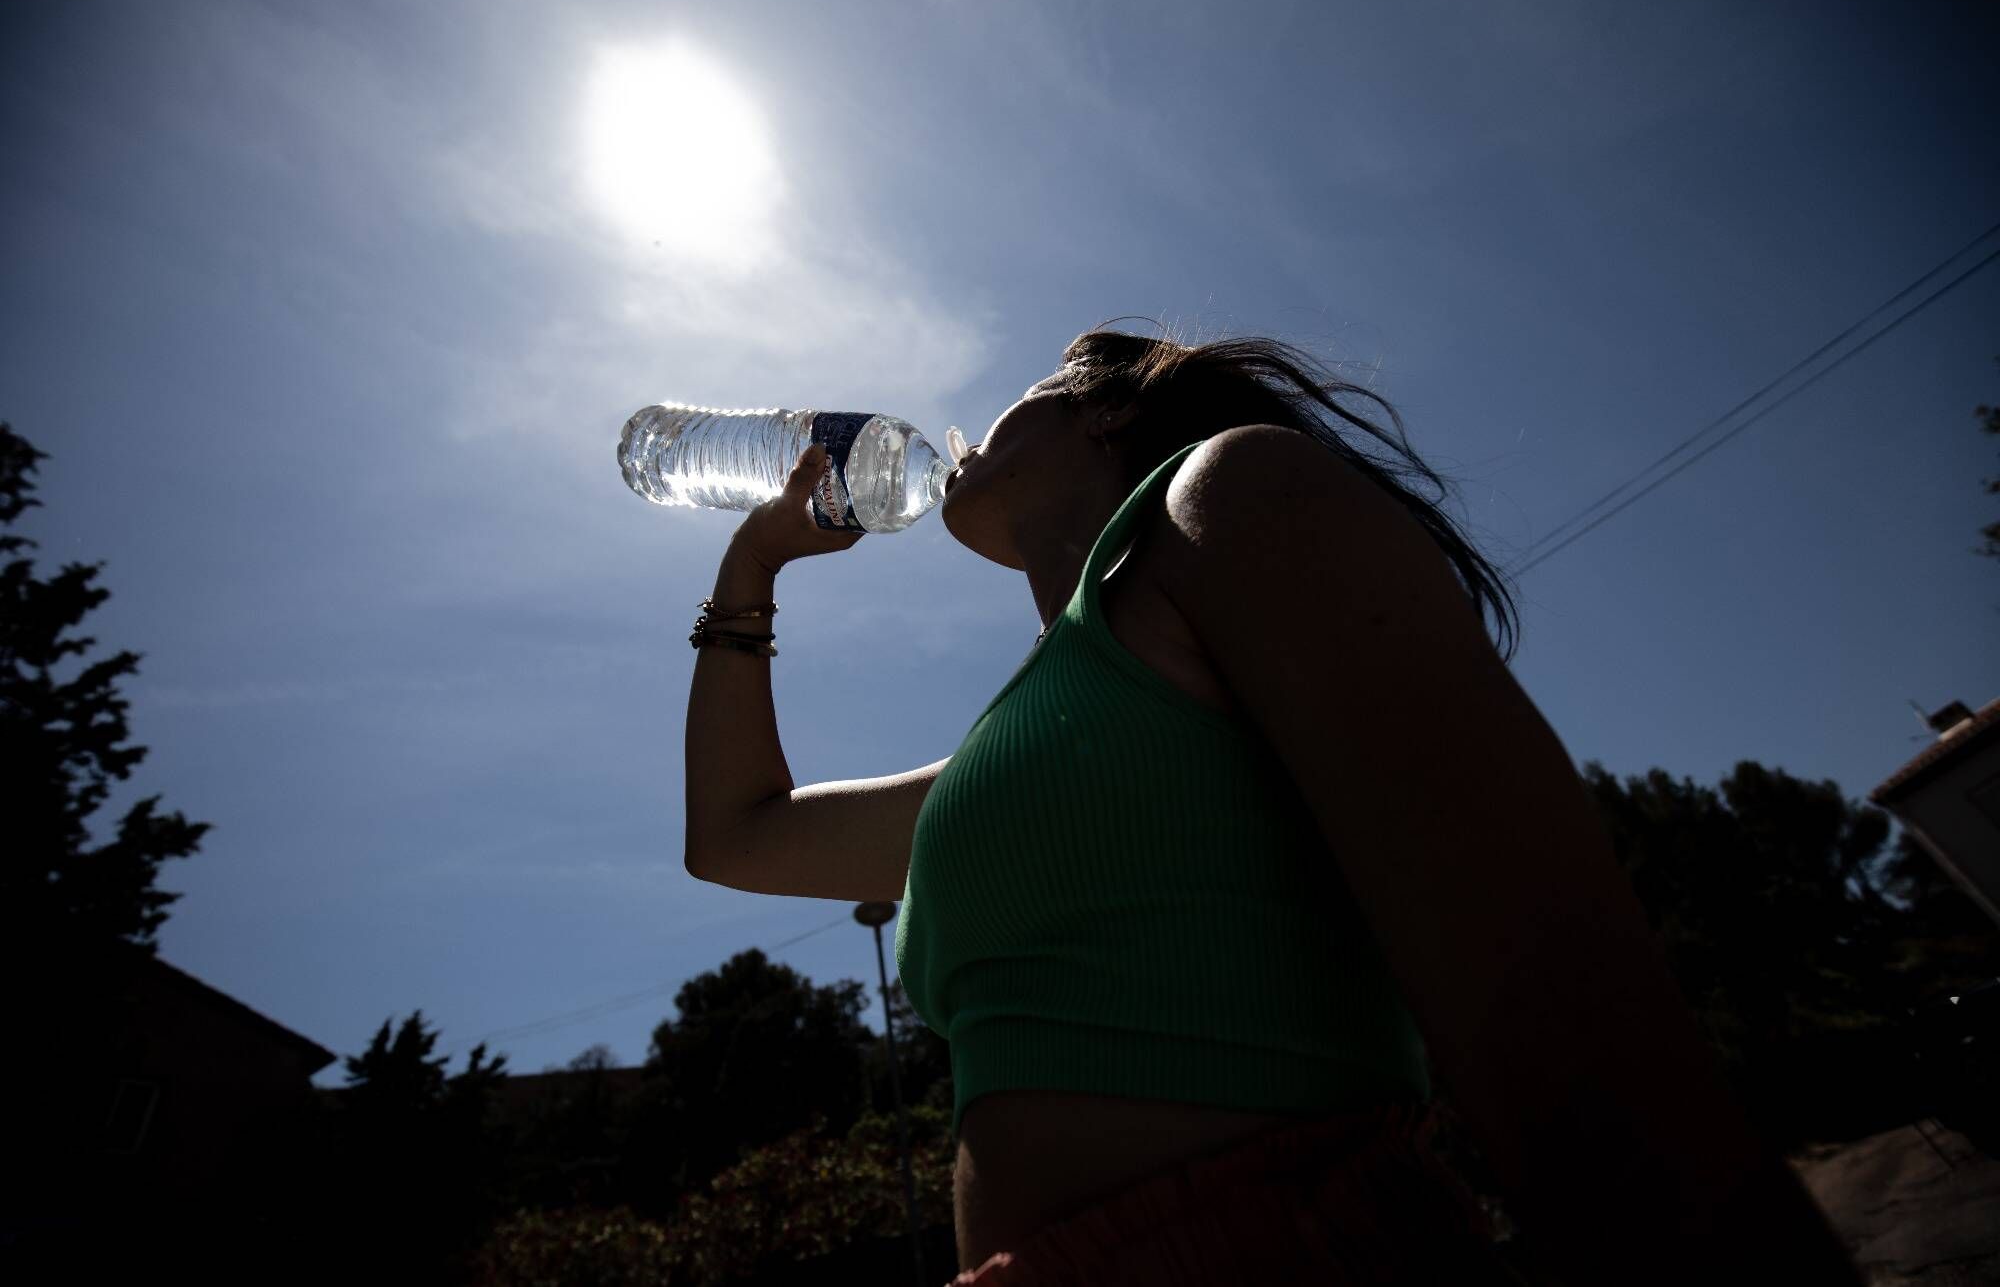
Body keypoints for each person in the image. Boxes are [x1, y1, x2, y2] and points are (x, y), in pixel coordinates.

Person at [682, 322, 1864, 1285]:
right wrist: (752, 567)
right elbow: (735, 838)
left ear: (1101, 410)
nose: (968, 428)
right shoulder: (1023, 755)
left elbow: (1554, 995)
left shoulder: (1233, 491)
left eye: (1026, 388)